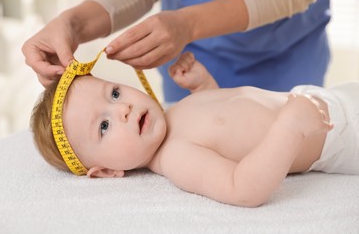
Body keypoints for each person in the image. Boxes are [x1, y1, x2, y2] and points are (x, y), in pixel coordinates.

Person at [31, 52, 359, 207]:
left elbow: (225, 129)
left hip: (319, 100)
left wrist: (204, 87)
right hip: (336, 135)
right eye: (104, 125)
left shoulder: (172, 114)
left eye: (114, 93)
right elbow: (242, 188)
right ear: (105, 171)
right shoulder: (176, 157)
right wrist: (291, 127)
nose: (123, 108)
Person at [22, 0, 330, 103]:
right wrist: (72, 23)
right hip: (189, 59)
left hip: (282, 53)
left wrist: (189, 24)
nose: (125, 110)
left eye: (116, 96)